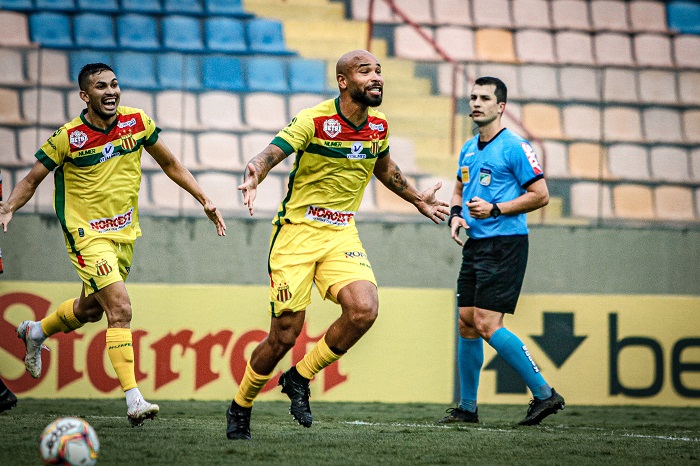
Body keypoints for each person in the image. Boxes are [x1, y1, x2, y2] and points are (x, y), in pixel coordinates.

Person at [226, 49, 449, 440]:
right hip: (296, 234)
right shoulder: (315, 119)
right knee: (283, 337)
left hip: (341, 232)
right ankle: (241, 405)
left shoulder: (378, 126)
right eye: (366, 71)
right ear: (344, 81)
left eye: (379, 71)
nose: (376, 77)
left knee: (364, 310)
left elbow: (384, 167)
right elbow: (274, 150)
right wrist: (256, 171)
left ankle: (299, 377)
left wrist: (417, 198)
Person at [0, 63, 227, 427]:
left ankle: (36, 331)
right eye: (100, 86)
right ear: (84, 95)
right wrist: (9, 206)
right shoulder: (68, 137)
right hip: (85, 235)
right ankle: (134, 399)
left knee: (91, 309)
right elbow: (31, 179)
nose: (110, 91)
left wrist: (204, 198)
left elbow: (170, 163)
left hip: (124, 233)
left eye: (115, 84)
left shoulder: (137, 122)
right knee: (120, 308)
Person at [438, 76, 564, 426]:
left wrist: (496, 209)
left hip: (506, 244)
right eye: (473, 97)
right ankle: (467, 408)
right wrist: (455, 216)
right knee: (466, 323)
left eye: (484, 98)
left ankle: (544, 394)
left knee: (486, 322)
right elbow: (459, 191)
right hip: (476, 245)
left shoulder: (515, 147)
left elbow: (540, 195)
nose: (475, 103)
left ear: (501, 107)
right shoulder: (467, 148)